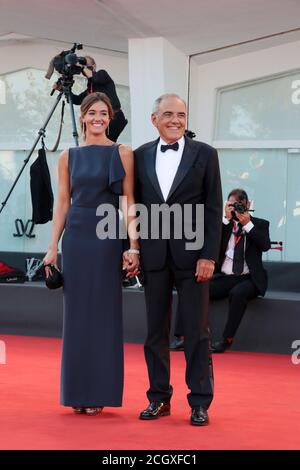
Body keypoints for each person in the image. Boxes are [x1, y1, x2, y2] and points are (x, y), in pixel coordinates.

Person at [43, 92, 139, 415]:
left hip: (107, 238)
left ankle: (99, 391)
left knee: (104, 316)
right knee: (77, 317)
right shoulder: (67, 156)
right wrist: (53, 246)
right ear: (83, 116)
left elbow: (128, 202)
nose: (98, 117)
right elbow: (63, 202)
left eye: (104, 113)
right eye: (93, 112)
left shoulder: (122, 153)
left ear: (110, 118)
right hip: (77, 240)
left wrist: (133, 245)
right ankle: (76, 392)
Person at [134, 93, 223, 426]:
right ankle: (158, 398)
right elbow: (135, 207)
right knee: (155, 332)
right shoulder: (140, 156)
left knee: (197, 331)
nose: (176, 120)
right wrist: (134, 248)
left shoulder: (206, 154)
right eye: (168, 114)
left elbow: (213, 209)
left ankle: (200, 401)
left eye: (181, 114)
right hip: (154, 255)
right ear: (154, 119)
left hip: (194, 257)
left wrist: (209, 256)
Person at [210, 189, 271, 353]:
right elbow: (213, 244)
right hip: (225, 276)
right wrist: (225, 220)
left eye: (239, 205)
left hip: (249, 278)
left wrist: (247, 225)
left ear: (248, 205)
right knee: (196, 287)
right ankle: (183, 336)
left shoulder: (260, 224)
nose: (236, 208)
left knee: (237, 294)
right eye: (232, 205)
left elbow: (265, 245)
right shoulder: (222, 224)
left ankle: (226, 339)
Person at [54, 56, 127, 142]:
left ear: (94, 65)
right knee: (99, 145)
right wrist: (63, 89)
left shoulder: (102, 74)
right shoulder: (90, 89)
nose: (84, 67)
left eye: (86, 65)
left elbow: (95, 78)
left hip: (115, 117)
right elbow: (76, 100)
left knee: (104, 145)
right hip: (104, 119)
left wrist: (80, 66)